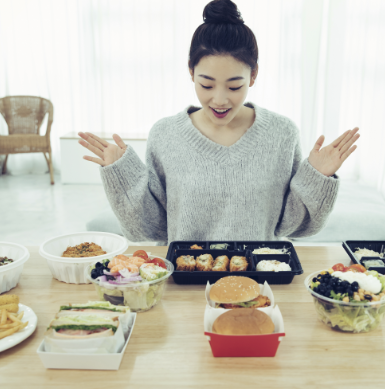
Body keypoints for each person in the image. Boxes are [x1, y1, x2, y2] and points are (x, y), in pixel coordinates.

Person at [78, 0, 359, 245]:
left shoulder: (282, 133)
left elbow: (291, 227)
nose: (220, 100)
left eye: (234, 86)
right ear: (191, 72)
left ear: (253, 75)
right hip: (185, 281)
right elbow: (152, 228)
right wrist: (121, 173)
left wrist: (318, 178)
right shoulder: (165, 134)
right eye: (207, 85)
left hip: (259, 279)